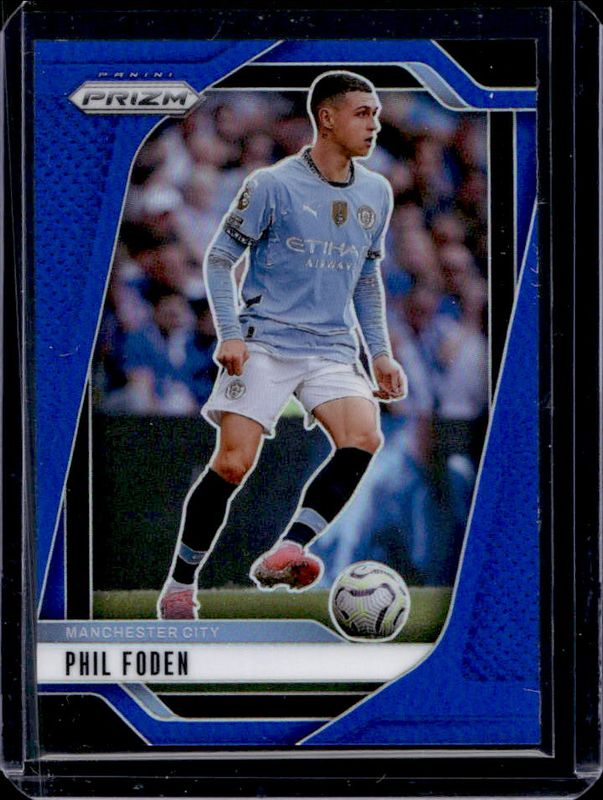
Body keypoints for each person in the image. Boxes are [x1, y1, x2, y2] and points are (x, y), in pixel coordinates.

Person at [157, 71, 408, 620]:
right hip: (265, 340)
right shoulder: (271, 184)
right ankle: (179, 584)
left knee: (364, 436)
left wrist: (380, 353)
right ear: (327, 118)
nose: (375, 123)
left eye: (376, 113)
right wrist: (229, 333)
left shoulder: (377, 192)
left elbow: (366, 278)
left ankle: (289, 548)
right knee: (232, 464)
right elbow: (219, 259)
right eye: (363, 113)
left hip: (332, 346)